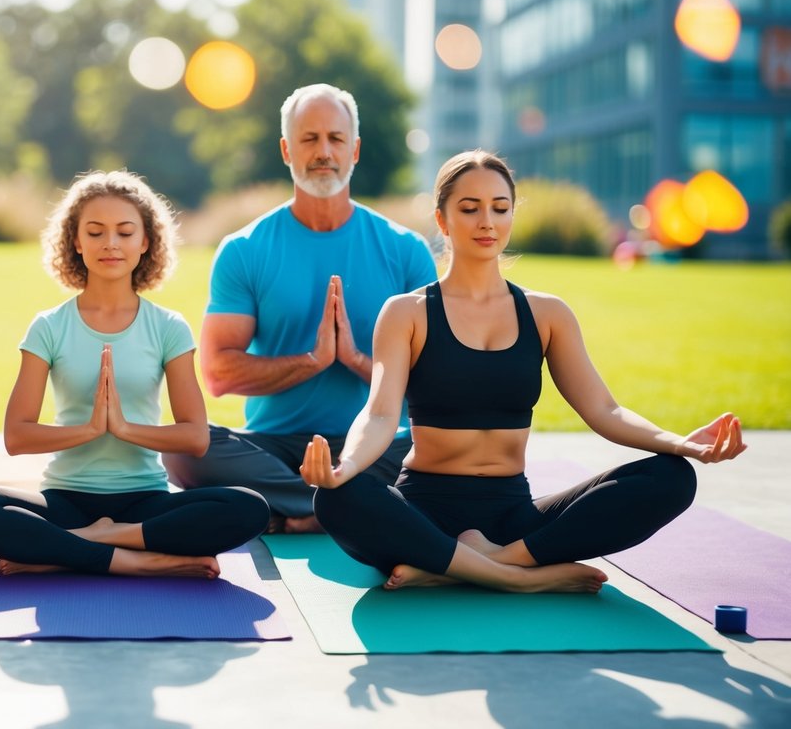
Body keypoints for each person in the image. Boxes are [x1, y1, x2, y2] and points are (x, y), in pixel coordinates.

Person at [301, 149, 746, 592]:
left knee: (671, 478)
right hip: (423, 509)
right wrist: (346, 467)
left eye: (500, 208)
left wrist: (680, 443)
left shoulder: (547, 314)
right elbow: (379, 414)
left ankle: (472, 563)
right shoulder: (407, 313)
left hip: (512, 516)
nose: (487, 222)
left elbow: (605, 411)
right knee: (337, 496)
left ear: (513, 214)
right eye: (469, 209)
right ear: (442, 219)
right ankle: (517, 579)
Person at [0, 170, 269, 578]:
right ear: (75, 242)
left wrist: (124, 428)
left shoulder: (168, 327)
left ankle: (75, 546)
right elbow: (17, 436)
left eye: (125, 232)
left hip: (143, 500)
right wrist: (90, 429)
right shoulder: (49, 326)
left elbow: (195, 437)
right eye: (95, 232)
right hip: (64, 500)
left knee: (249, 507)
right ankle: (138, 561)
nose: (110, 243)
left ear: (145, 241)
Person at [163, 83, 437, 533]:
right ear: (287, 150)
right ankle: (335, 505)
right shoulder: (245, 250)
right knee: (185, 447)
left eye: (335, 138)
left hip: (372, 445)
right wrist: (312, 362)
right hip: (276, 446)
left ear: (356, 150)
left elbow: (432, 379)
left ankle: (296, 506)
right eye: (309, 139)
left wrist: (353, 360)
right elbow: (218, 374)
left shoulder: (405, 250)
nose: (323, 151)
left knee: (429, 453)